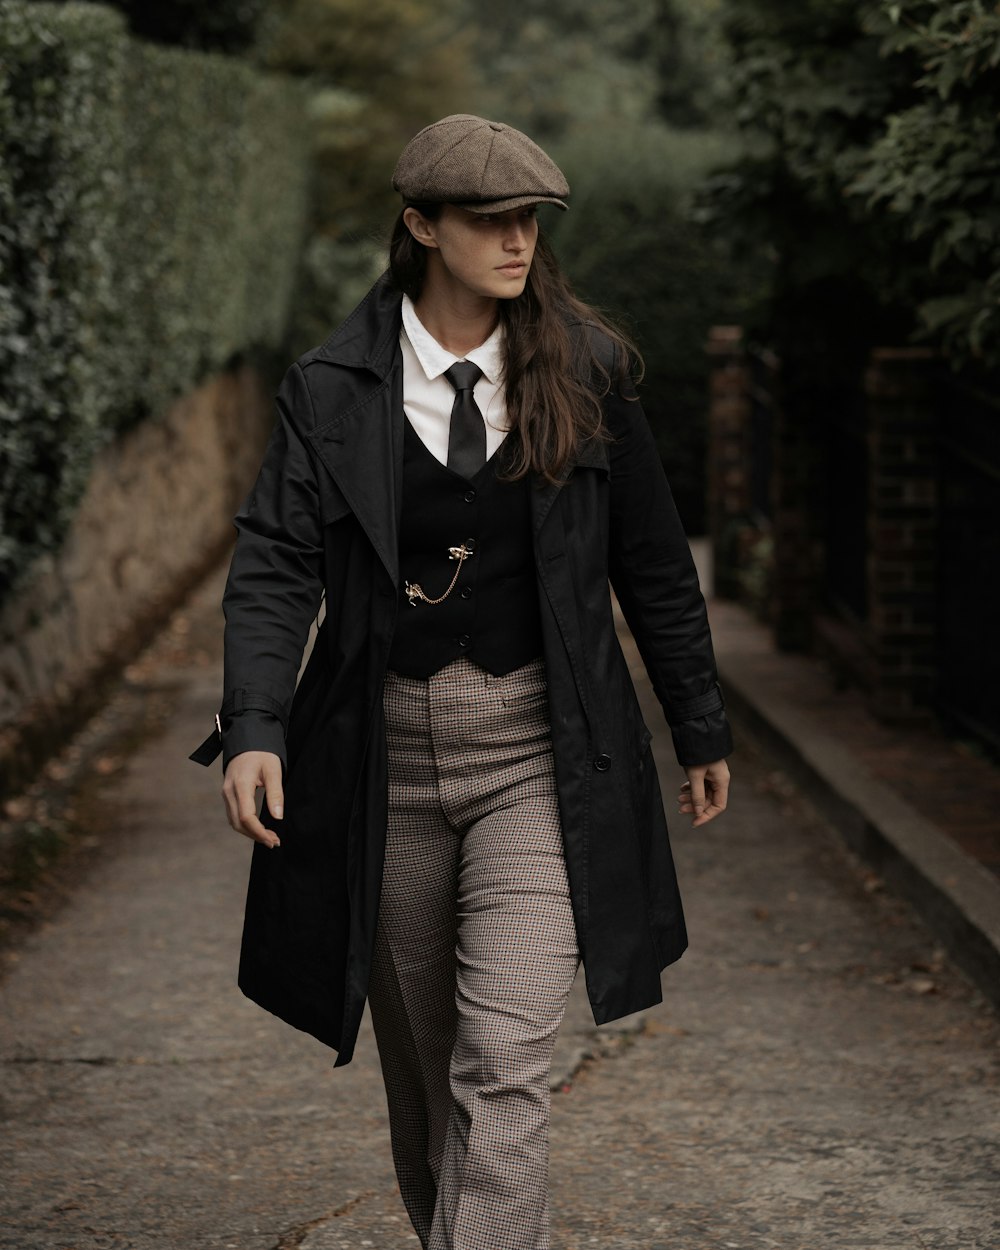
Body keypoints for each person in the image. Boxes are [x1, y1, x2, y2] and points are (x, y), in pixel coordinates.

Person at [191, 113, 732, 1250]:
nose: (515, 241)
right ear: (420, 225)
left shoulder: (584, 371)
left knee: (506, 1060)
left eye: (528, 220)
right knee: (432, 1080)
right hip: (383, 758)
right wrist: (254, 724)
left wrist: (697, 719)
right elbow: (277, 562)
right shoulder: (332, 386)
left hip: (537, 750)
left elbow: (650, 561)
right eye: (488, 220)